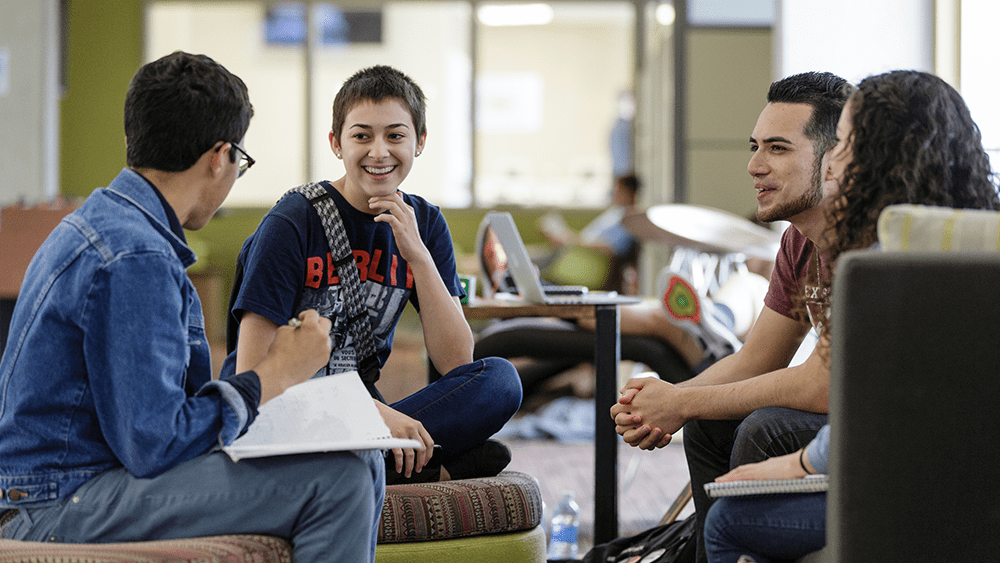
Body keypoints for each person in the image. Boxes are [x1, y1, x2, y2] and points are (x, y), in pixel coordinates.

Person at [0, 51, 384, 562]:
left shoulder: (112, 223)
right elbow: (154, 444)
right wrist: (274, 373)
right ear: (218, 157)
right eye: (240, 163)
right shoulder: (135, 257)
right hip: (56, 503)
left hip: (72, 483)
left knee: (361, 459)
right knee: (338, 480)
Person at [702, 70, 1000, 563]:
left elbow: (868, 403)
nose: (833, 159)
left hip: (929, 478)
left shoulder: (889, 257)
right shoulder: (966, 237)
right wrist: (676, 399)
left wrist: (796, 465)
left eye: (843, 142)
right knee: (727, 427)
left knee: (736, 511)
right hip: (951, 459)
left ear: (878, 154)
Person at [222, 65, 521, 485]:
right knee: (482, 455)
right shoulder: (292, 221)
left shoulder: (427, 223)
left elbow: (456, 362)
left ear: (419, 142)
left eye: (395, 136)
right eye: (362, 136)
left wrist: (418, 255)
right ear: (336, 144)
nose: (379, 152)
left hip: (360, 405)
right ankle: (396, 465)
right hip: (284, 406)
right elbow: (250, 374)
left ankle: (363, 468)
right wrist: (375, 416)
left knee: (500, 382)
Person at [610, 71, 851, 562]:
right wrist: (671, 400)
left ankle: (739, 537)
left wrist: (683, 402)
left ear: (833, 160)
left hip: (878, 419)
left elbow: (825, 383)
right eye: (755, 146)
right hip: (843, 409)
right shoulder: (798, 241)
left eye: (778, 149)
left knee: (765, 426)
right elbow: (757, 358)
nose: (754, 165)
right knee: (711, 424)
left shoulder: (864, 236)